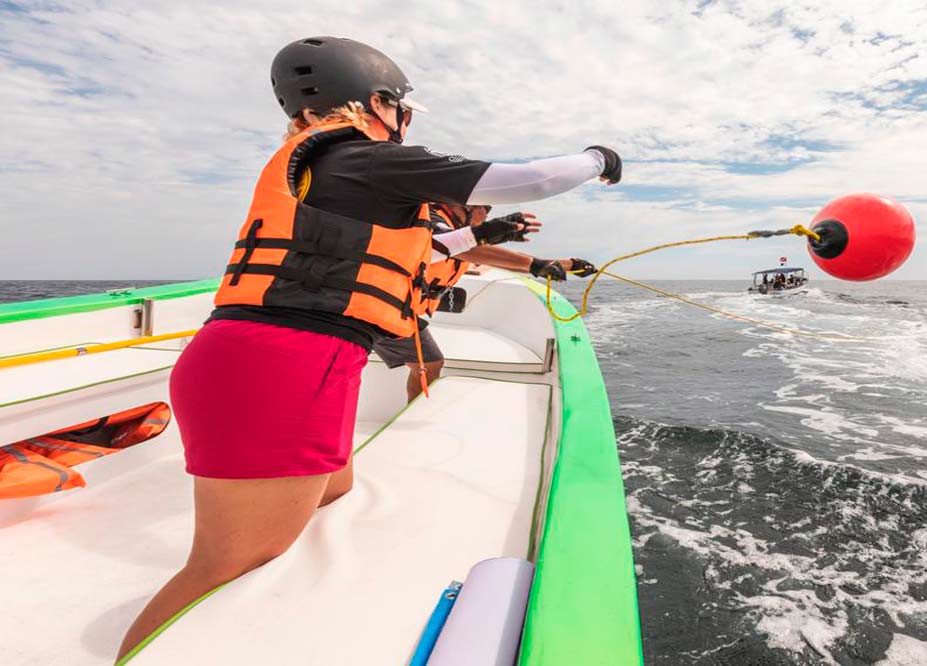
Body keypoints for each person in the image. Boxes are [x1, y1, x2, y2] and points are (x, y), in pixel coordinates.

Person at [118, 35, 622, 659]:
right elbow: (538, 178)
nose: (404, 127)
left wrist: (496, 238)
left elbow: (430, 252)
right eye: (403, 111)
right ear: (376, 103)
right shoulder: (362, 158)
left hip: (301, 359)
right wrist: (600, 158)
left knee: (335, 489)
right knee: (229, 566)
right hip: (280, 365)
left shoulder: (338, 171)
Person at [374, 202, 597, 401]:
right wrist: (535, 264)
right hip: (379, 304)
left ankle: (412, 409)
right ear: (466, 207)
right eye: (486, 209)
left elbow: (488, 258)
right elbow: (460, 248)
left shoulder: (457, 234)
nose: (487, 217)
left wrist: (569, 265)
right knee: (422, 363)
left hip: (397, 308)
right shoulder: (432, 219)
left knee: (429, 364)